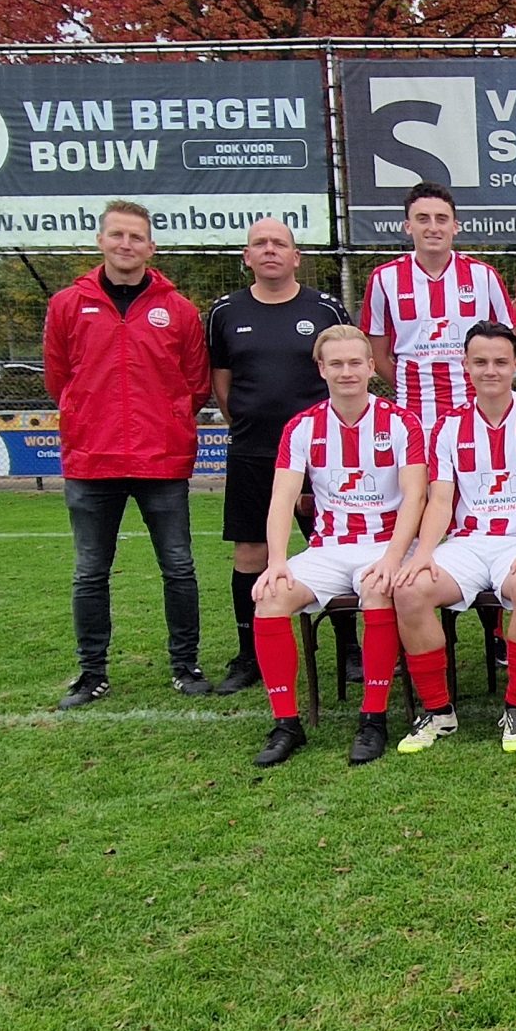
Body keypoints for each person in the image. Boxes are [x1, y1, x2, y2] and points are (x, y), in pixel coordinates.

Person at [44, 199, 212, 708]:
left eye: (136, 237)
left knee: (178, 567)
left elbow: (195, 385)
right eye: (117, 234)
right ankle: (92, 672)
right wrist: (87, 416)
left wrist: (165, 422)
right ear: (101, 241)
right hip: (91, 460)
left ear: (150, 247)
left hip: (161, 459)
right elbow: (58, 379)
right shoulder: (67, 305)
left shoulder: (179, 310)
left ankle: (185, 665)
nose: (126, 244)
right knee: (90, 571)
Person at [247, 325, 426, 767]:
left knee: (378, 590)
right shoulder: (302, 427)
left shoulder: (402, 422)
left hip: (386, 544)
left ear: (371, 367)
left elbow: (415, 497)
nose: (347, 372)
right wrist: (276, 561)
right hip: (328, 547)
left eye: (355, 363)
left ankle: (373, 718)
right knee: (270, 597)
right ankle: (286, 723)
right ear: (321, 369)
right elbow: (282, 498)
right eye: (337, 364)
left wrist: (392, 557)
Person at [391, 322, 516, 756]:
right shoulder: (448, 426)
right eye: (481, 362)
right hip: (468, 542)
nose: (491, 370)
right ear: (466, 365)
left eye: (501, 362)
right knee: (410, 590)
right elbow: (440, 500)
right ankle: (438, 711)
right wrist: (424, 553)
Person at [361, 180, 515, 666]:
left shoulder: (483, 277)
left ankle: (498, 631)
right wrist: (413, 390)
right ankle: (413, 624)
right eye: (423, 219)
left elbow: (502, 341)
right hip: (416, 421)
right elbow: (378, 351)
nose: (433, 227)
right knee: (415, 516)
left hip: (477, 423)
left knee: (487, 514)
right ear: (407, 225)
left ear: (456, 226)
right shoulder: (385, 279)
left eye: (441, 219)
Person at [207, 218, 352, 695]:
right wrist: (252, 424)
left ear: (296, 256)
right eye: (260, 244)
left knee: (333, 548)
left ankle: (349, 648)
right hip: (254, 451)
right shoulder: (225, 312)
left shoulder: (324, 308)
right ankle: (248, 654)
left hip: (321, 457)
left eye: (280, 244)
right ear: (247, 256)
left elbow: (342, 367)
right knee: (250, 552)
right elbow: (222, 384)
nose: (270, 250)